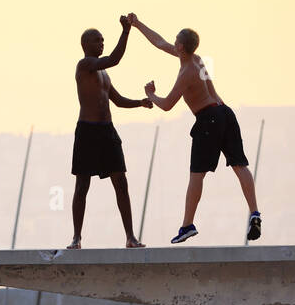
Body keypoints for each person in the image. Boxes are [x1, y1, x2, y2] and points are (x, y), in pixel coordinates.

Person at [129, 14, 261, 243]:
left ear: (179, 47)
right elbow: (159, 43)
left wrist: (151, 95)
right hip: (225, 113)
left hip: (208, 119)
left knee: (196, 174)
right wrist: (138, 24)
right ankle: (255, 212)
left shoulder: (186, 72)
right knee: (240, 164)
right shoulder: (197, 58)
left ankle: (187, 224)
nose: (171, 44)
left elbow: (168, 104)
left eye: (175, 42)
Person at [69, 16, 152, 249]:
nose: (101, 43)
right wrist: (126, 31)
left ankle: (130, 237)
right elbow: (114, 59)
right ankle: (76, 238)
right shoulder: (84, 65)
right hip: (87, 131)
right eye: (98, 40)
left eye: (103, 40)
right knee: (82, 185)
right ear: (86, 45)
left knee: (121, 183)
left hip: (107, 131)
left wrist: (140, 103)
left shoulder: (104, 74)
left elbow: (116, 100)